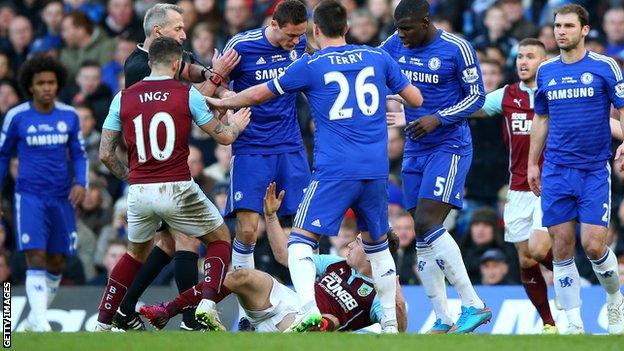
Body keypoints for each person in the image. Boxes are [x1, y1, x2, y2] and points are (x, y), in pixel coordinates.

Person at [206, 0, 423, 333]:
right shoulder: (378, 57)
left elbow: (261, 94)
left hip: (333, 167)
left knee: (301, 241)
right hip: (375, 168)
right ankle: (391, 326)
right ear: (347, 28)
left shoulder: (311, 62)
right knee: (379, 246)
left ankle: (308, 308)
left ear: (316, 30)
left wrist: (223, 101)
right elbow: (417, 99)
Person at [94, 36, 251, 332]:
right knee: (219, 239)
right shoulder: (186, 93)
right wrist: (236, 125)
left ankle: (103, 321)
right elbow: (224, 137)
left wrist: (133, 178)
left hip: (139, 190)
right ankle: (205, 304)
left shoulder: (122, 97)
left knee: (134, 254)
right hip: (177, 186)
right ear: (178, 64)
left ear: (149, 63)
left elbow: (105, 154)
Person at [140, 183, 407, 332]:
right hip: (292, 303)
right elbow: (284, 256)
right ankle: (168, 310)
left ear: (374, 254)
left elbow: (398, 329)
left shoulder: (376, 295)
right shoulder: (335, 263)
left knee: (331, 321)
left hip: (306, 326)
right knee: (240, 276)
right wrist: (270, 216)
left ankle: (303, 327)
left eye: (358, 243)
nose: (349, 244)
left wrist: (396, 298)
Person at [379, 0, 490, 334]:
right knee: (422, 236)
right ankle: (443, 318)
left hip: (449, 145)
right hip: (414, 146)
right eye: (398, 28)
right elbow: (372, 66)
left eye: (408, 28)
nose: (402, 35)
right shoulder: (395, 42)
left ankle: (473, 304)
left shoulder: (457, 48)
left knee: (426, 223)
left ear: (425, 22)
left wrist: (438, 119)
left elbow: (477, 97)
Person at [528, 4, 624, 335]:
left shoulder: (605, 67)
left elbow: (623, 107)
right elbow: (541, 118)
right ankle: (572, 324)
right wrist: (532, 163)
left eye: (568, 25)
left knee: (595, 245)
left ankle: (615, 299)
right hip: (555, 169)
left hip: (594, 170)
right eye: (557, 26)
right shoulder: (545, 71)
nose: (560, 31)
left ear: (584, 30)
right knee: (562, 245)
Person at [220, 0, 310, 273]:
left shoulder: (303, 44)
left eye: (300, 34)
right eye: (290, 35)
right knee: (247, 230)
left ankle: (306, 298)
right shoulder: (242, 45)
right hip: (251, 145)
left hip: (290, 144)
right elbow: (218, 81)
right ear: (273, 24)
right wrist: (228, 98)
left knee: (303, 229)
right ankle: (247, 305)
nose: (296, 40)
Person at [0, 54, 88, 331]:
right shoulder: (17, 117)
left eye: (51, 82)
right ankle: (41, 323)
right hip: (30, 195)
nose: (47, 87)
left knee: (58, 260)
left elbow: (79, 154)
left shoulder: (69, 115)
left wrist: (81, 183)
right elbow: (2, 156)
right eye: (41, 83)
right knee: (35, 255)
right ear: (30, 86)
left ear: (58, 84)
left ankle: (32, 320)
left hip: (62, 196)